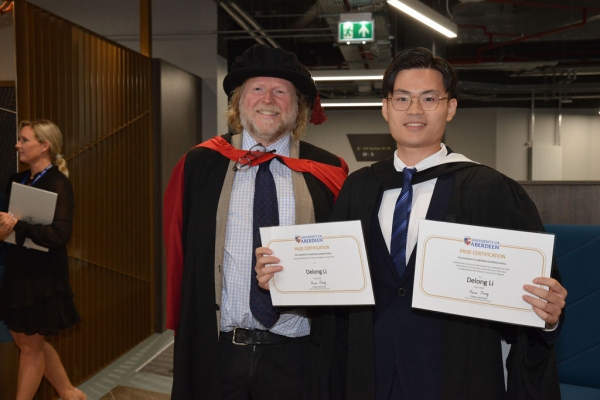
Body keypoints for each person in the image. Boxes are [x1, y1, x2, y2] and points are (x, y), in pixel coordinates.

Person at [258, 47, 567, 400]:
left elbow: (535, 297)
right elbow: (334, 294)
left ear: (450, 108)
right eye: (402, 98)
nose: (414, 110)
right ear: (386, 107)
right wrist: (284, 277)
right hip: (369, 377)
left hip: (455, 380)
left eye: (429, 98)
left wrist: (547, 316)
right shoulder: (359, 188)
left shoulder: (490, 190)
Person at [163, 44, 348, 399]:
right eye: (258, 89)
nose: (268, 99)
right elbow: (178, 254)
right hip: (219, 352)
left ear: (298, 107)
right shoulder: (200, 165)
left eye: (281, 91)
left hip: (297, 355)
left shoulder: (328, 171)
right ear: (238, 101)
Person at [0, 120, 86, 400]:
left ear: (44, 146)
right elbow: (8, 225)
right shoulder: (17, 180)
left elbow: (60, 235)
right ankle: (70, 393)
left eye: (24, 140)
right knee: (25, 340)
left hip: (43, 278)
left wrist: (20, 226)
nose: (18, 145)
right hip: (17, 271)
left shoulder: (59, 184)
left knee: (30, 346)